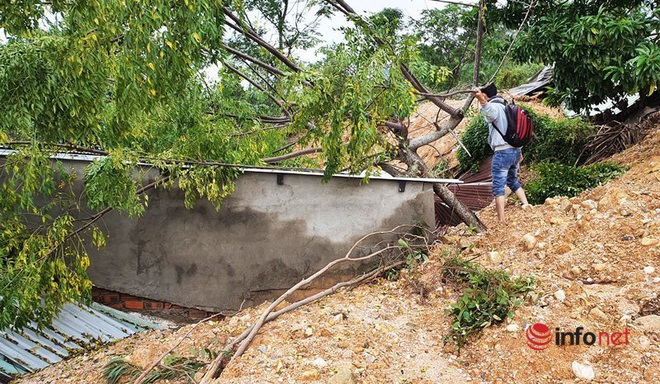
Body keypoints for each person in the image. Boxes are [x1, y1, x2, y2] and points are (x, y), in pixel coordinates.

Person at [474, 83, 530, 222]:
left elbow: (489, 112)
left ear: (486, 95)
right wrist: (519, 151)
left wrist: (481, 100)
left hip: (502, 153)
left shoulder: (494, 107)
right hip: (515, 150)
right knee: (512, 180)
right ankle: (526, 204)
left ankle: (501, 220)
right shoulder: (507, 107)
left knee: (498, 186)